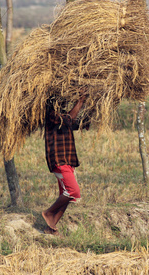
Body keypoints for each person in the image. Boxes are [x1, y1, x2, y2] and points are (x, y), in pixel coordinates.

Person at [42, 92, 89, 236]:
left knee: (67, 195)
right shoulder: (51, 114)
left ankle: (51, 228)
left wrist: (90, 110)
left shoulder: (63, 116)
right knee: (74, 192)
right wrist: (80, 101)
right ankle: (48, 213)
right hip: (59, 161)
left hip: (67, 162)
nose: (63, 104)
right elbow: (68, 120)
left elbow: (75, 123)